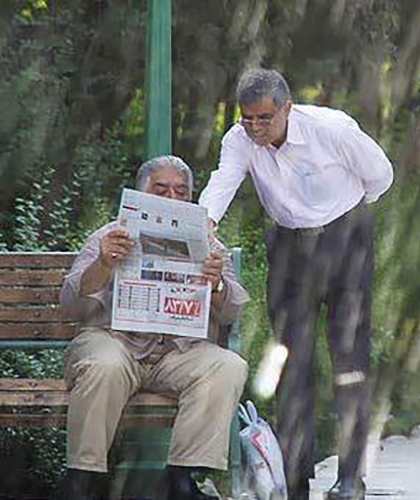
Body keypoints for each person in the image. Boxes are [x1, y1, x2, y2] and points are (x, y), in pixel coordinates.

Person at [199, 68, 394, 500]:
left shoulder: (332, 129)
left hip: (346, 241)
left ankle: (349, 479)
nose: (254, 128)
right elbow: (222, 183)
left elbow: (381, 175)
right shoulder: (240, 140)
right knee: (291, 364)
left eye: (264, 118)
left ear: (287, 107)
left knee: (350, 363)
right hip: (288, 249)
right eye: (247, 118)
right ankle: (296, 480)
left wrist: (343, 217)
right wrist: (203, 225)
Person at [59, 155, 249, 500]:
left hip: (178, 355)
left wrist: (217, 283)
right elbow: (71, 304)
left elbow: (232, 312)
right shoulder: (108, 237)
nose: (173, 199)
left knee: (227, 365)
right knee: (105, 364)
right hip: (113, 342)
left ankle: (182, 478)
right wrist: (103, 264)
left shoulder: (210, 245)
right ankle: (83, 479)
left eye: (182, 192)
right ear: (140, 194)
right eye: (161, 190)